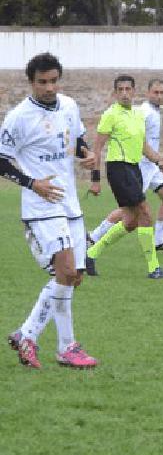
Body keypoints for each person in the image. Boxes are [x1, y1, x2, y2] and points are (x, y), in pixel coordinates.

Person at [1, 52, 98, 369]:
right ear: (31, 82)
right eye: (42, 82)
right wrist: (31, 183)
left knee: (73, 277)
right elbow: (1, 160)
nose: (49, 87)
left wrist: (87, 154)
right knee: (66, 272)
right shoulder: (18, 117)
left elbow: (76, 140)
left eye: (54, 81)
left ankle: (56, 344)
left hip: (70, 204)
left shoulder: (69, 106)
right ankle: (39, 338)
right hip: (42, 206)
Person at [85, 75, 163, 279]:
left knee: (131, 221)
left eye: (128, 89)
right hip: (118, 169)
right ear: (115, 93)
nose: (124, 93)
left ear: (134, 92)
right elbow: (96, 149)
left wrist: (158, 160)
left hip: (133, 169)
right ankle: (153, 268)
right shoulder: (110, 114)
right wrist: (95, 180)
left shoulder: (137, 115)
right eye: (120, 89)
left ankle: (91, 254)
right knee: (145, 212)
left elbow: (143, 146)